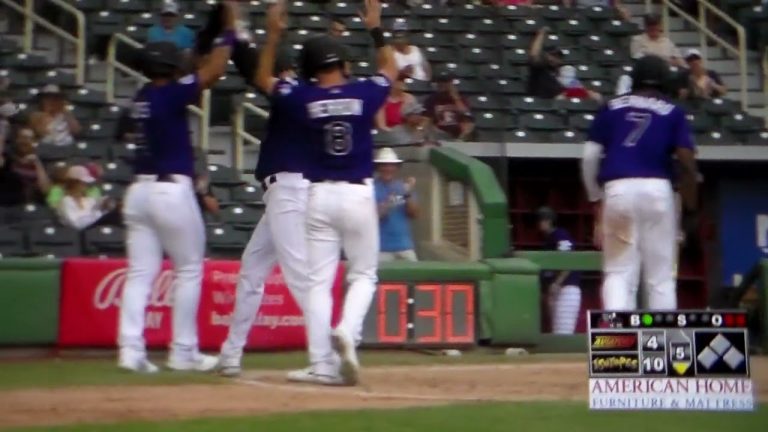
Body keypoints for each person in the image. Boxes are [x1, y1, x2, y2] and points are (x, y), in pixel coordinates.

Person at [255, 0, 397, 385]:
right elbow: (390, 70)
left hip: (317, 196)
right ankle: (347, 332)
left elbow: (265, 79)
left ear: (310, 68)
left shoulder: (302, 97)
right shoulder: (365, 92)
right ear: (344, 64)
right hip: (357, 194)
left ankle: (322, 364)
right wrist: (375, 28)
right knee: (364, 274)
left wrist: (272, 34)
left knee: (318, 284)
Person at [117, 2, 237, 374]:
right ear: (169, 67)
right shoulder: (168, 94)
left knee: (140, 274)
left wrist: (200, 47)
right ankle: (183, 351)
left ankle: (130, 351)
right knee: (189, 270)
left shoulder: (141, 98)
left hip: (138, 192)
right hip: (170, 190)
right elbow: (214, 71)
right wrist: (231, 30)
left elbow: (191, 72)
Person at [216, 39, 313, 377]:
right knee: (252, 268)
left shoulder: (290, 88)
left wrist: (235, 36)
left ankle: (328, 350)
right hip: (286, 191)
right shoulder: (305, 93)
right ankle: (230, 353)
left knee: (299, 274)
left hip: (289, 188)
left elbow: (253, 70)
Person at [581, 55, 699, 311]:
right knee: (661, 278)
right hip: (658, 190)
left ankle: (617, 341)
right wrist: (691, 207)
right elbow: (687, 162)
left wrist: (595, 198)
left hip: (618, 190)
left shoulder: (610, 107)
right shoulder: (673, 111)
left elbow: (589, 157)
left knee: (618, 273)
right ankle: (661, 343)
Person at [537, 207, 581, 334]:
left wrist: (557, 282)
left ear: (550, 221)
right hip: (555, 291)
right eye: (540, 219)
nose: (540, 223)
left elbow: (569, 260)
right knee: (557, 332)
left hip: (567, 289)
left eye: (543, 219)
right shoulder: (547, 241)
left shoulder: (560, 234)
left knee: (563, 333)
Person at [374, 147, 418, 262]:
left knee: (414, 279)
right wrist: (390, 201)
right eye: (384, 165)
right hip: (381, 249)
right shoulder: (371, 189)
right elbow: (374, 216)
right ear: (378, 167)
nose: (388, 168)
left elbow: (414, 214)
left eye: (391, 165)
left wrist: (407, 194)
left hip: (405, 247)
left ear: (396, 167)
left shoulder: (403, 187)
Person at [0, 127, 51, 207]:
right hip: (11, 203)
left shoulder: (41, 160)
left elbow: (46, 190)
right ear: (16, 140)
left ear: (35, 142)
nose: (25, 141)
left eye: (29, 138)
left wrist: (36, 163)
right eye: (22, 137)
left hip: (36, 203)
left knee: (58, 191)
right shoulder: (7, 157)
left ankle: (55, 214)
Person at [57, 165, 115, 230]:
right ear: (74, 183)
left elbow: (99, 205)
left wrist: (105, 204)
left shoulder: (88, 200)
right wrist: (99, 213)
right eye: (83, 182)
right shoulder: (65, 202)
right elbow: (77, 225)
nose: (86, 185)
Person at [423, 72, 474, 140]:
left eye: (446, 82)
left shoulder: (461, 99)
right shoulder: (431, 100)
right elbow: (427, 119)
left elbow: (465, 114)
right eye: (440, 82)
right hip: (438, 133)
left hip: (458, 134)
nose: (443, 84)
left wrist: (456, 98)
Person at [527, 27, 566, 99]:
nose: (554, 59)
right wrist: (541, 34)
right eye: (552, 55)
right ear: (546, 56)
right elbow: (534, 55)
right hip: (537, 106)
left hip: (556, 107)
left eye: (558, 57)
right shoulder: (539, 69)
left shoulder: (563, 74)